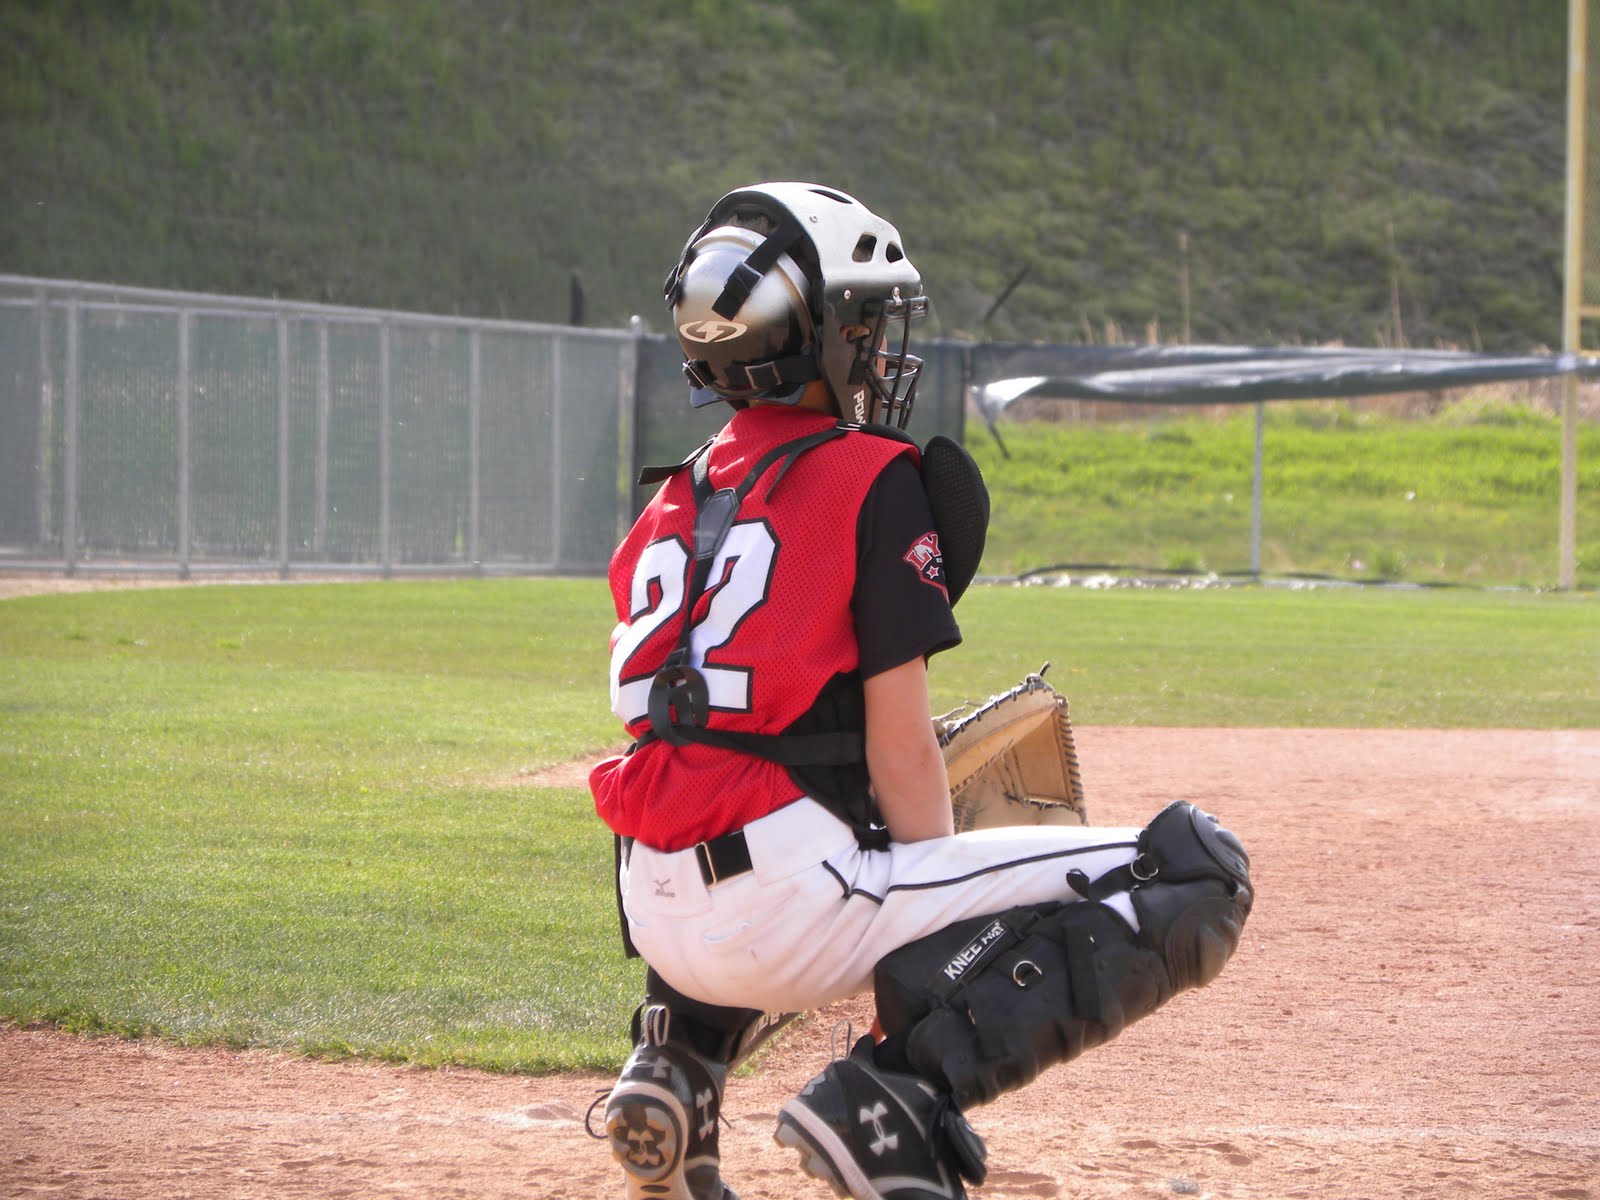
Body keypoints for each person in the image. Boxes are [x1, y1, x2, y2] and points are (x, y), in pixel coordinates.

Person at [589, 182, 1253, 1200]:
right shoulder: (871, 474)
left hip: (652, 900)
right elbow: (898, 750)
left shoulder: (670, 500)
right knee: (1197, 868)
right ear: (816, 340)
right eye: (862, 321)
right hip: (784, 911)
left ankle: (675, 1065)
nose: (878, 345)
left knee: (723, 769)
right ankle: (891, 1097)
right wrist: (945, 918)